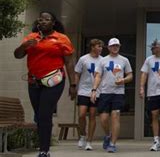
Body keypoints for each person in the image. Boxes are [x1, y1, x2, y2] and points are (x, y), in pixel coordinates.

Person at [14, 11, 77, 157]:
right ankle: (43, 145)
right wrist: (24, 46)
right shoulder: (31, 38)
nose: (42, 21)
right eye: (40, 19)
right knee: (39, 115)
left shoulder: (61, 39)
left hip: (54, 81)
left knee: (44, 114)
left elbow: (69, 62)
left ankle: (44, 150)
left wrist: (73, 84)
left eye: (46, 19)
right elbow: (17, 55)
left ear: (53, 23)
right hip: (34, 81)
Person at [91, 37, 133, 153]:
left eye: (117, 46)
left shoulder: (124, 60)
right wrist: (94, 90)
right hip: (105, 92)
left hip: (118, 93)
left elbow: (130, 75)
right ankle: (108, 135)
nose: (115, 48)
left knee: (115, 116)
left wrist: (123, 80)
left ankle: (113, 144)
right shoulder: (103, 61)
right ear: (109, 47)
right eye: (113, 46)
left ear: (119, 47)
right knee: (103, 119)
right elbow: (98, 76)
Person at [74, 39, 104, 151]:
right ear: (92, 47)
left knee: (92, 115)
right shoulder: (83, 59)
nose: (100, 48)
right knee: (81, 115)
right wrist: (74, 86)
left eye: (101, 47)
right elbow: (77, 73)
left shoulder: (103, 60)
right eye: (98, 46)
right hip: (83, 90)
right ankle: (82, 135)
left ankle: (89, 141)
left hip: (96, 91)